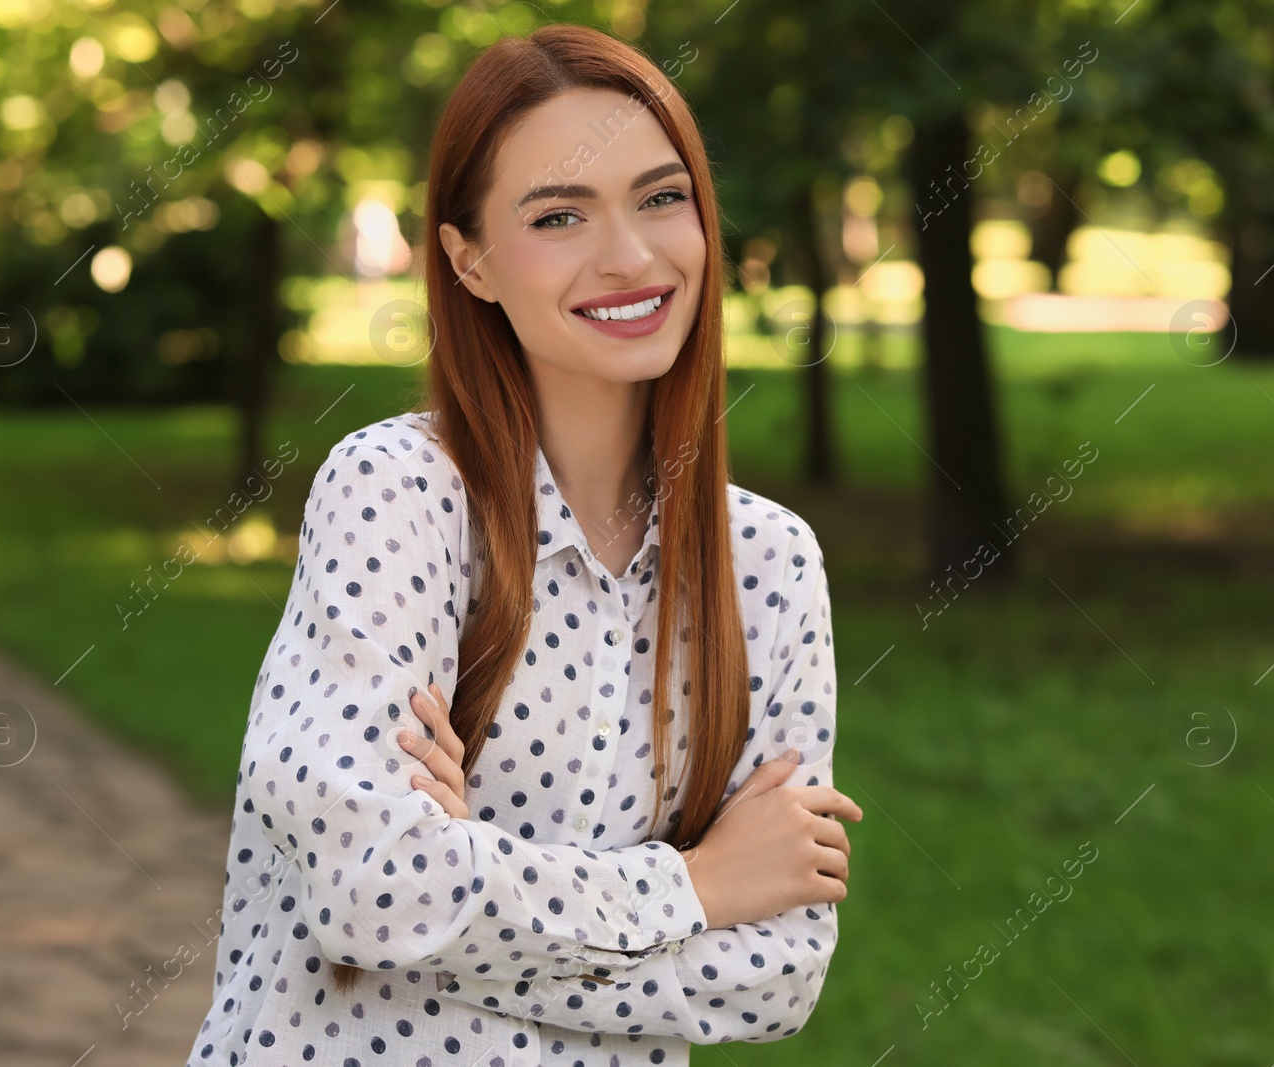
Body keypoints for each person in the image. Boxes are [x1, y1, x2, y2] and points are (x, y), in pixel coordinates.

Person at [184, 22, 862, 1066]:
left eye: (661, 197)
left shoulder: (769, 563)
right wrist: (696, 884)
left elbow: (776, 972)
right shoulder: (397, 494)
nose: (630, 256)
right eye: (558, 215)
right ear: (469, 260)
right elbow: (370, 890)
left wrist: (465, 877)